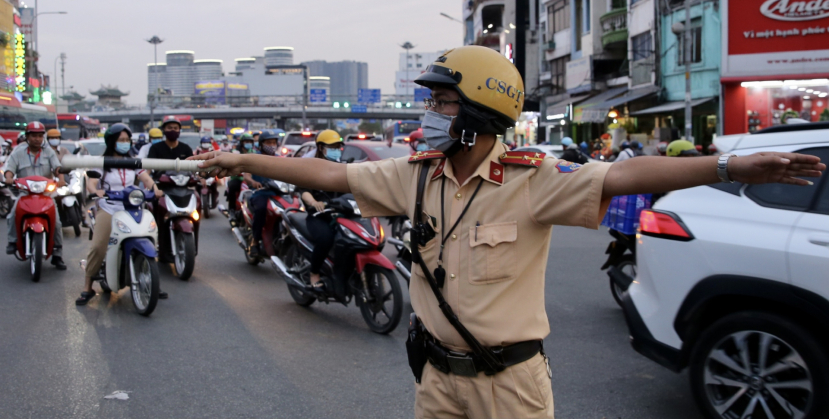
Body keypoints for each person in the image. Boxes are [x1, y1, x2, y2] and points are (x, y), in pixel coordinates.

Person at [190, 46, 823, 419]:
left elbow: (626, 173)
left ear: (476, 113)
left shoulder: (534, 179)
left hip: (509, 385)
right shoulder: (414, 175)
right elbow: (329, 175)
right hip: (436, 378)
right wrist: (242, 161)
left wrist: (730, 164)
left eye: (441, 103)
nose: (429, 114)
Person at [75, 124, 164, 305]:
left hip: (131, 208)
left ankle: (151, 280)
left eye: (127, 140)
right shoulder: (102, 162)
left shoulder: (134, 162)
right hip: (109, 208)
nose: (125, 143)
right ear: (112, 141)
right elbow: (92, 182)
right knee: (99, 246)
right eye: (120, 140)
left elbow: (146, 179)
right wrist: (96, 191)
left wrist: (155, 189)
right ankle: (87, 287)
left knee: (150, 236)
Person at [4, 121, 67, 269]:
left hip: (46, 195)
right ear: (27, 137)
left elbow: (57, 168)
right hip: (25, 194)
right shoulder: (18, 151)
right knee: (12, 214)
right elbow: (10, 168)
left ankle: (57, 253)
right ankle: (13, 241)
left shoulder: (49, 152)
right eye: (33, 136)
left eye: (40, 136)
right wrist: (8, 177)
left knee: (56, 222)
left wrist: (62, 180)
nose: (37, 139)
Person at [297, 129, 345, 288]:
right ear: (321, 148)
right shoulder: (311, 167)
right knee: (326, 239)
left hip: (340, 214)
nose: (336, 149)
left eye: (338, 146)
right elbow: (304, 191)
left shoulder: (341, 168)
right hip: (318, 216)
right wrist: (313, 202)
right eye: (332, 146)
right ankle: (314, 272)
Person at [247, 129, 284, 257]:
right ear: (261, 144)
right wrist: (253, 182)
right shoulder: (254, 158)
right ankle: (255, 241)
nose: (272, 145)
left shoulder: (280, 159)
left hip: (277, 194)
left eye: (274, 142)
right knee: (261, 210)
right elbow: (246, 175)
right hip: (260, 193)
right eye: (269, 142)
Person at [225, 132, 256, 220]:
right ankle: (231, 210)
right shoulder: (235, 152)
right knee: (232, 187)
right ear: (242, 142)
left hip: (250, 179)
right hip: (238, 178)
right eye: (246, 141)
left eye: (250, 142)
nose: (248, 143)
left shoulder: (254, 152)